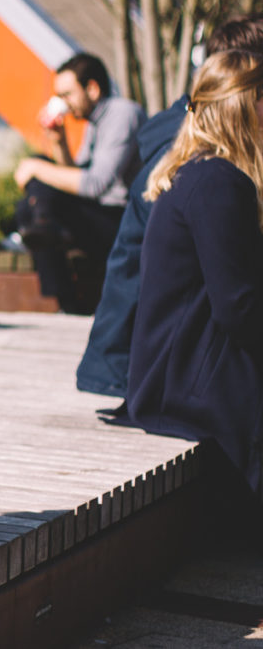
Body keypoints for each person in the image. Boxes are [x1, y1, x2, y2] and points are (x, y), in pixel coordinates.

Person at [77, 15, 263, 395]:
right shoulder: (207, 173)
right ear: (240, 84)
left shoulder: (199, 152)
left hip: (159, 362)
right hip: (151, 369)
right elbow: (233, 299)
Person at [125, 49, 263, 496]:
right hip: (189, 387)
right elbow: (238, 307)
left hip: (179, 378)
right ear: (244, 105)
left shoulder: (200, 173)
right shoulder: (218, 183)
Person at [14, 53, 145, 313]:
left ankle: (45, 227)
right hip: (100, 213)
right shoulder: (94, 122)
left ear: (92, 89)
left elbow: (96, 185)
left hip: (124, 221)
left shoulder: (122, 114)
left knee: (39, 178)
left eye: (67, 95)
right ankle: (45, 227)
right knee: (29, 203)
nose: (62, 103)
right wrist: (58, 141)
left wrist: (38, 169)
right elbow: (74, 175)